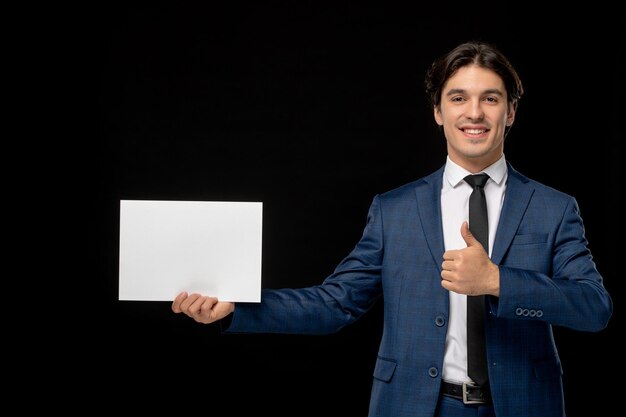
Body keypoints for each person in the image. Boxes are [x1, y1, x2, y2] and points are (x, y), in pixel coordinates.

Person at [171, 40, 613, 417]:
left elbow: (594, 308)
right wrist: (238, 308)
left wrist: (498, 281)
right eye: (458, 98)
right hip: (414, 405)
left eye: (490, 98)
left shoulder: (554, 208)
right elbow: (334, 304)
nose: (474, 112)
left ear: (511, 112)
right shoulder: (394, 210)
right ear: (438, 111)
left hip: (522, 405)